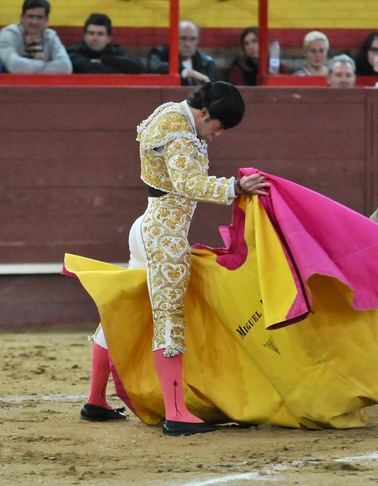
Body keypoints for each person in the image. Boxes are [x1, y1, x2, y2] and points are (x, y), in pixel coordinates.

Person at [80, 81, 269, 436]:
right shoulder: (180, 131)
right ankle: (176, 411)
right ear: (206, 112)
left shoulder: (171, 113)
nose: (217, 135)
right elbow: (187, 183)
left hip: (149, 226)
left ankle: (95, 400)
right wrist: (234, 187)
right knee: (169, 316)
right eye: (218, 126)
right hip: (164, 234)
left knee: (126, 313)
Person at [0, 0, 71, 73]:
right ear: (22, 17)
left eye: (39, 17)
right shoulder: (9, 33)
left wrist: (32, 67)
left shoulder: (50, 36)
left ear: (46, 20)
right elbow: (14, 66)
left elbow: (66, 67)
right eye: (30, 16)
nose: (34, 22)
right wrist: (44, 64)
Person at [68, 13, 142, 74]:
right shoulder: (73, 54)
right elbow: (89, 69)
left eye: (100, 34)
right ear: (84, 36)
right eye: (91, 33)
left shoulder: (115, 52)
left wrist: (105, 59)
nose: (95, 38)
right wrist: (117, 68)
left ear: (108, 39)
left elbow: (137, 66)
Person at [147, 20, 216, 85]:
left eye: (192, 39)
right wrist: (184, 71)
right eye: (183, 38)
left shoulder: (207, 62)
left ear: (197, 41)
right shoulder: (158, 53)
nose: (188, 44)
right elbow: (155, 67)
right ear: (173, 38)